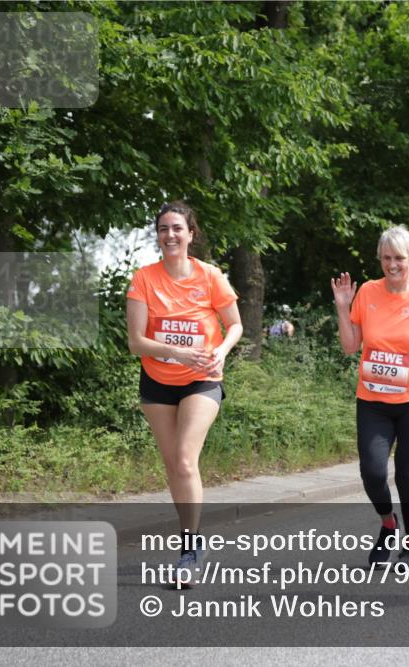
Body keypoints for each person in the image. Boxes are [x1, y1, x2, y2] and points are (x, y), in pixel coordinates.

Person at [126, 201, 243, 579]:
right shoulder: (144, 278)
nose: (170, 235)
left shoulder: (210, 276)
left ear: (191, 234)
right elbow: (135, 342)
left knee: (184, 460)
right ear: (158, 236)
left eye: (177, 228)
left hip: (202, 378)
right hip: (157, 381)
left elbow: (236, 325)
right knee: (173, 467)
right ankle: (190, 537)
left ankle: (189, 551)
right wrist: (176, 351)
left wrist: (221, 352)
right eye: (163, 229)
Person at [331, 226, 409, 570]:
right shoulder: (368, 292)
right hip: (373, 399)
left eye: (399, 258)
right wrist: (342, 307)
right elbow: (351, 346)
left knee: (407, 475)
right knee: (371, 471)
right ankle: (388, 524)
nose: (393, 265)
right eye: (386, 258)